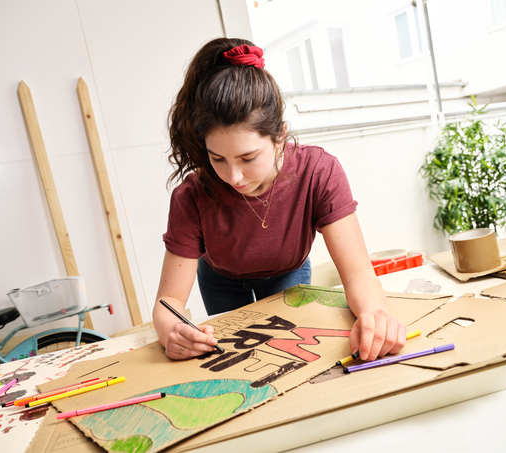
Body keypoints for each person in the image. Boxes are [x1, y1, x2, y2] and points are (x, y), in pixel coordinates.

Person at [153, 37, 406, 362]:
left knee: (289, 353)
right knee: (240, 358)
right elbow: (169, 301)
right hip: (221, 279)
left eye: (248, 158)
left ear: (280, 137)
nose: (234, 177)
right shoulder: (191, 195)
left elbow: (358, 274)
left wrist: (374, 315)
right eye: (217, 159)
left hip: (288, 271)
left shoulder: (319, 171)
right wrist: (171, 330)